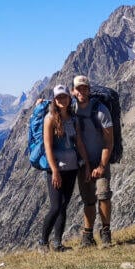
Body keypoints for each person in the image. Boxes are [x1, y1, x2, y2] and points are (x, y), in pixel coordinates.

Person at [40, 84, 91, 252]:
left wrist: (86, 162)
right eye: (59, 97)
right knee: (56, 206)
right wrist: (54, 171)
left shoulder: (73, 117)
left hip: (71, 168)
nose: (62, 99)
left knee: (63, 206)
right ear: (55, 100)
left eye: (64, 96)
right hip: (56, 169)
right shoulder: (50, 118)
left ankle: (57, 243)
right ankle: (42, 243)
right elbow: (48, 146)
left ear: (69, 98)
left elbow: (79, 142)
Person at [72, 75, 114, 246]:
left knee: (103, 196)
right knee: (88, 200)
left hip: (100, 161)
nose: (82, 91)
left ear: (89, 90)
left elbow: (109, 142)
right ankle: (87, 237)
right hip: (83, 164)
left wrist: (102, 166)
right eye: (78, 88)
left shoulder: (101, 110)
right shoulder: (71, 109)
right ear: (73, 91)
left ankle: (105, 234)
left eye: (85, 88)